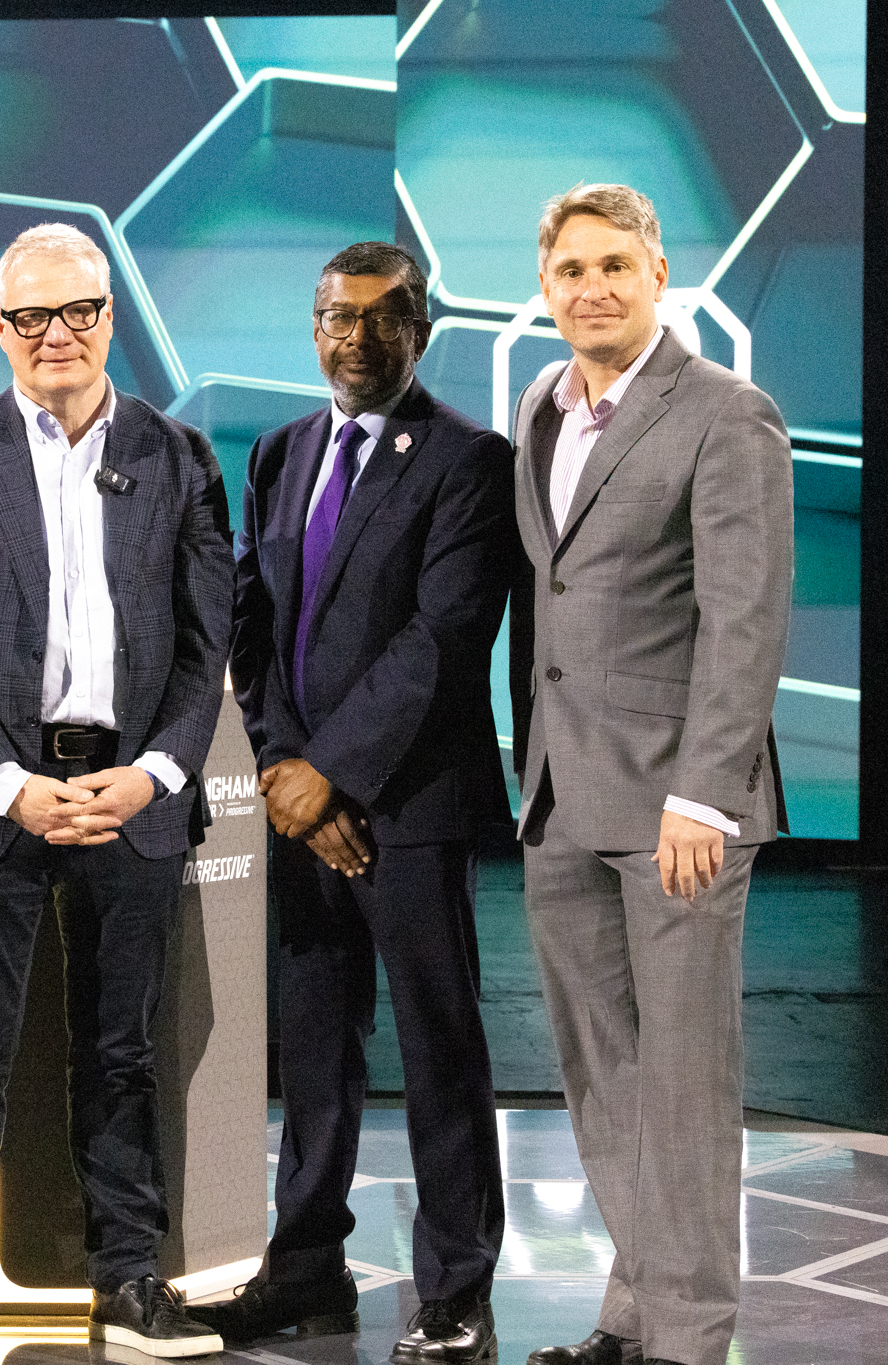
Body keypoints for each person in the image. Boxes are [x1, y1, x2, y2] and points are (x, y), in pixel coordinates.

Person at [0, 223, 233, 1364]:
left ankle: (129, 1279)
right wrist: (8, 786)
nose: (54, 336)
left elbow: (202, 641)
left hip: (134, 797)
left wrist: (152, 775)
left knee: (121, 1054)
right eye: (29, 317)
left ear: (108, 316)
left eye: (75, 311)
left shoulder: (179, 457)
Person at [202, 242, 516, 1363]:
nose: (355, 338)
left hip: (409, 807)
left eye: (381, 319)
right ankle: (305, 1268)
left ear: (418, 330)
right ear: (313, 324)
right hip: (298, 808)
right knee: (313, 1048)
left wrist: (327, 774)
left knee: (439, 1047)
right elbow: (251, 623)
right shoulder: (282, 453)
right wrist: (286, 771)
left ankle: (455, 1288)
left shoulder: (471, 460)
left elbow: (439, 641)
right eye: (336, 317)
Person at [511, 184, 791, 1365]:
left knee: (678, 1094)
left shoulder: (726, 414)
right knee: (602, 1081)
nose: (592, 288)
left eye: (614, 267)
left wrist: (701, 796)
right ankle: (631, 1314)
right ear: (543, 285)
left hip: (674, 811)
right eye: (571, 269)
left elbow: (743, 618)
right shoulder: (539, 405)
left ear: (659, 273)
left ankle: (689, 1339)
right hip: (560, 799)